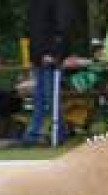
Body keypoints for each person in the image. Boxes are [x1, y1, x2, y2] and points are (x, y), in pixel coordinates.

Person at [22, 0, 74, 146]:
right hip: (39, 55)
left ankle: (54, 133)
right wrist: (35, 55)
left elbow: (63, 25)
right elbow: (33, 29)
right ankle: (38, 134)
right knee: (40, 97)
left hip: (49, 55)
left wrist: (54, 52)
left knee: (49, 96)